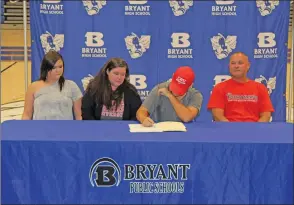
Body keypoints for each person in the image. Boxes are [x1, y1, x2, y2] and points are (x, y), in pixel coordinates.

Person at [207, 52, 274, 122]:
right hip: (227, 130)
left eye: (240, 63)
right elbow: (218, 116)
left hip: (254, 130)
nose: (236, 66)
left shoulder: (260, 88)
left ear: (248, 66)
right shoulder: (219, 88)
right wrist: (232, 130)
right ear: (229, 66)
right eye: (233, 63)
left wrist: (255, 130)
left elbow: (266, 116)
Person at [22, 50, 83, 120]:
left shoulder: (72, 86)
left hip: (65, 129)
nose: (58, 70)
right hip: (40, 129)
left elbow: (79, 116)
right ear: (46, 68)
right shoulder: (33, 87)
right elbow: (27, 114)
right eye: (54, 68)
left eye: (60, 67)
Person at [136, 66, 203, 127]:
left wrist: (170, 96)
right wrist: (143, 119)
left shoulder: (196, 95)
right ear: (173, 76)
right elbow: (141, 111)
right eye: (175, 85)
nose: (175, 91)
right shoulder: (159, 88)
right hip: (160, 133)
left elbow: (187, 117)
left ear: (190, 85)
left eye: (180, 88)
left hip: (185, 135)